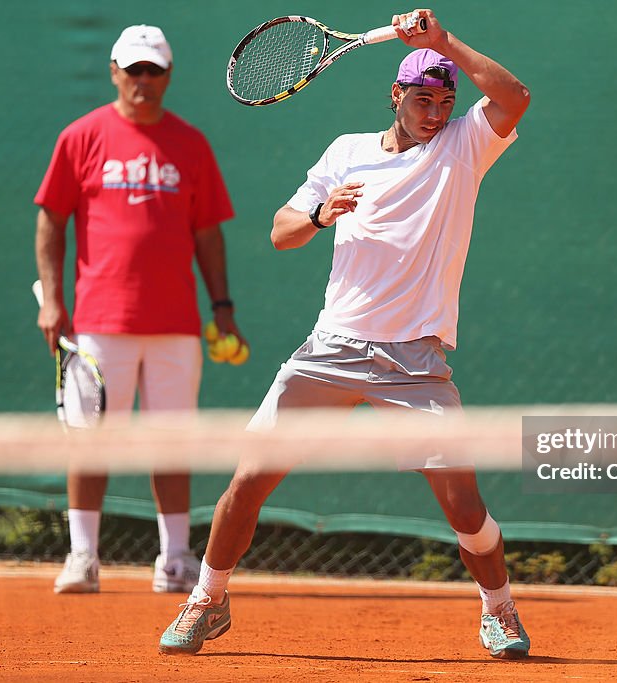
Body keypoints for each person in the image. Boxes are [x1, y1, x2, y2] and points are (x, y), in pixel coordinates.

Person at [158, 9, 530, 658]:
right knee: (246, 482)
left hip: (414, 360)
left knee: (464, 504)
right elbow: (280, 232)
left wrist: (443, 43)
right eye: (423, 99)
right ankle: (206, 600)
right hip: (331, 349)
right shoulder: (346, 152)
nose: (436, 111)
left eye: (445, 100)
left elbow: (515, 96)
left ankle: (499, 609)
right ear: (396, 96)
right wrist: (319, 214)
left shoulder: (464, 146)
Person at [34, 25, 245, 595]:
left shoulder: (192, 144)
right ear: (114, 72)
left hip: (176, 325)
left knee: (170, 441)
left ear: (168, 75)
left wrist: (221, 305)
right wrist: (53, 299)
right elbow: (52, 219)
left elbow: (208, 233)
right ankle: (83, 558)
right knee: (90, 440)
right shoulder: (81, 137)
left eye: (153, 70)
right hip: (99, 322)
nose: (143, 81)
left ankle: (175, 558)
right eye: (133, 69)